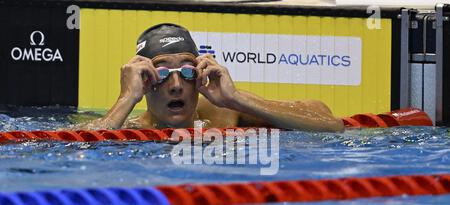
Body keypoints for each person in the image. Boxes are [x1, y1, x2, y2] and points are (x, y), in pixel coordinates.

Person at [79, 23, 344, 132]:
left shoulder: (221, 112)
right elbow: (68, 144)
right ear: (144, 81)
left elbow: (328, 123)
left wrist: (237, 99)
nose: (175, 86)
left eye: (186, 72)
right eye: (162, 73)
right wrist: (126, 99)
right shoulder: (130, 128)